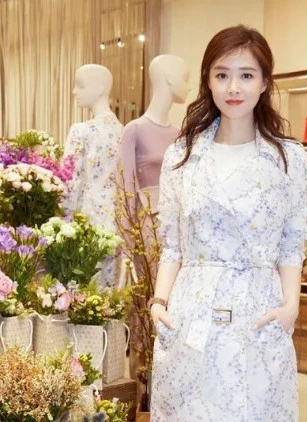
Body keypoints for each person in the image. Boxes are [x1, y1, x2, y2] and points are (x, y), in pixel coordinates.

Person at [149, 25, 307, 421]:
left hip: (258, 310)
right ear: (208, 81)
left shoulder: (288, 159)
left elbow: (291, 243)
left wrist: (291, 307)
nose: (233, 87)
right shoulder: (182, 156)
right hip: (191, 311)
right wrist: (159, 304)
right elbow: (172, 244)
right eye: (222, 74)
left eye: (246, 75)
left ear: (264, 83)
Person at [118, 54, 189, 383]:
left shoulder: (181, 133)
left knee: (175, 298)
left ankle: (172, 375)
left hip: (177, 225)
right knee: (146, 299)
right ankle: (142, 381)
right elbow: (125, 188)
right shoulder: (134, 130)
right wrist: (128, 241)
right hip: (147, 227)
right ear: (169, 80)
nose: (188, 86)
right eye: (185, 78)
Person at [63, 64, 123, 287]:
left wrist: (62, 223)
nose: (74, 91)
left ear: (99, 88)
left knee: (81, 292)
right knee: (110, 295)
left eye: (80, 85)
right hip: (117, 227)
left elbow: (71, 183)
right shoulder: (124, 131)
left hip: (86, 222)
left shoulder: (81, 131)